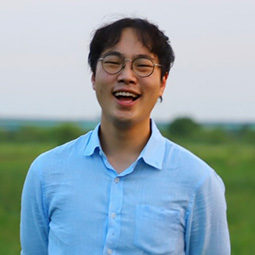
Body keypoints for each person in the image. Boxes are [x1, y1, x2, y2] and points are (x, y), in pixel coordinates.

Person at [20, 18, 230, 255]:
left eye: (143, 66)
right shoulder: (46, 172)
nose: (127, 76)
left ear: (163, 82)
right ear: (93, 76)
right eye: (113, 62)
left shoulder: (198, 181)